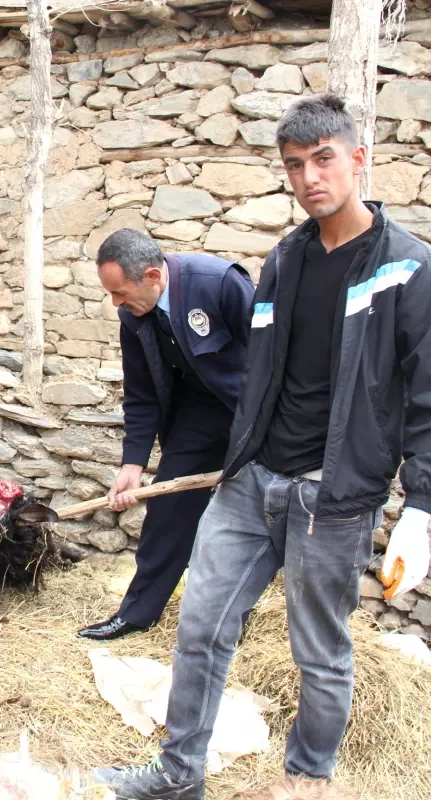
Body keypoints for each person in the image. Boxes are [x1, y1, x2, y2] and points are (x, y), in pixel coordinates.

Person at [94, 94, 431, 798]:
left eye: (323, 159)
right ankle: (178, 776)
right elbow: (259, 375)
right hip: (253, 480)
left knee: (318, 653)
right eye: (294, 165)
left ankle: (306, 784)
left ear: (358, 160)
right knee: (200, 627)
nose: (308, 178)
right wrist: (236, 455)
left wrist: (420, 507)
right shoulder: (285, 260)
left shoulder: (410, 269)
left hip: (336, 495)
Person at [77, 229, 253, 641]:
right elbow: (140, 395)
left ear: (153, 276)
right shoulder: (133, 316)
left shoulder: (220, 284)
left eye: (120, 292)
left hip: (254, 414)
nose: (116, 303)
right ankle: (137, 614)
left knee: (248, 517)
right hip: (198, 415)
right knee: (168, 511)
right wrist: (133, 464)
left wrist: (278, 430)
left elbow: (277, 354)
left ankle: (229, 622)